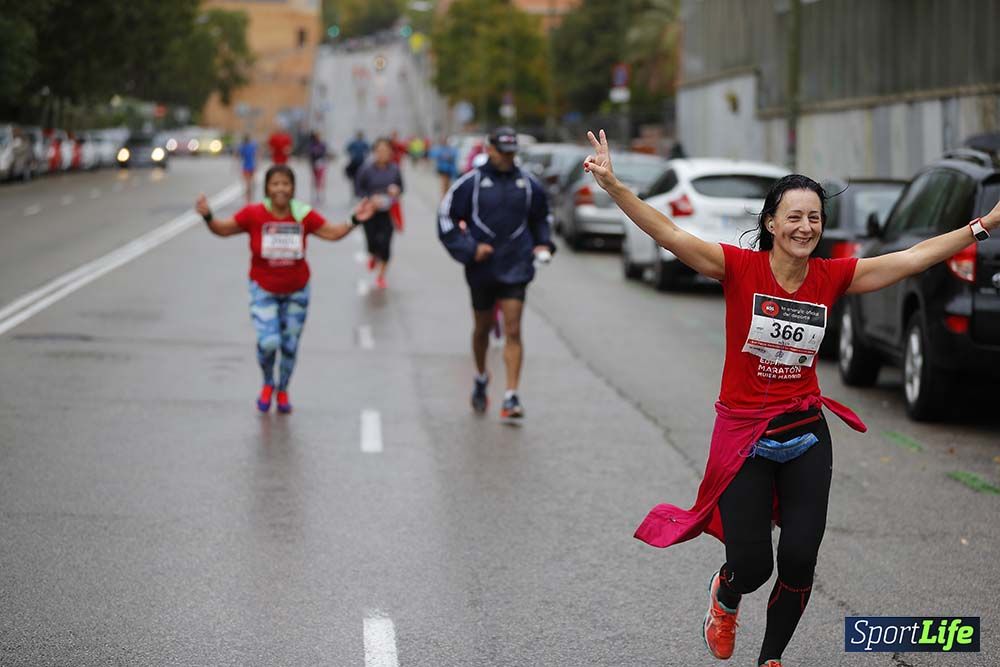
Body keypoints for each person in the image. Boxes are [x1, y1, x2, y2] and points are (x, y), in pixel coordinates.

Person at [581, 128, 1000, 667]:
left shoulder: (831, 277)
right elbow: (668, 233)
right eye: (795, 217)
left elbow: (913, 257)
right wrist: (614, 186)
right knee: (752, 566)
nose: (806, 227)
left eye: (815, 218)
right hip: (744, 437)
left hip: (804, 432)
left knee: (800, 559)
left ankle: (770, 658)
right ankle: (726, 594)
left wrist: (982, 226)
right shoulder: (738, 268)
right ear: (772, 224)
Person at [194, 165, 375, 414]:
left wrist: (354, 220)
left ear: (293, 189)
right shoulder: (254, 214)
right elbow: (223, 229)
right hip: (263, 289)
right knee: (269, 342)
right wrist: (208, 216)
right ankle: (268, 383)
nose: (280, 189)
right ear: (267, 188)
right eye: (275, 184)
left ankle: (283, 389)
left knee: (289, 346)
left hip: (297, 290)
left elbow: (332, 233)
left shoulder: (302, 214)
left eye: (286, 184)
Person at [437, 127, 555, 421]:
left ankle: (511, 396)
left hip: (516, 265)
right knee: (483, 329)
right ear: (489, 149)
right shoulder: (471, 183)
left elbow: (542, 218)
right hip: (482, 268)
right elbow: (446, 218)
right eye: (502, 152)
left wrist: (543, 243)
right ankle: (480, 377)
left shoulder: (528, 184)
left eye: (511, 152)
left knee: (513, 329)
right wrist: (470, 249)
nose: (507, 157)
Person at [354, 138, 403, 290]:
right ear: (374, 152)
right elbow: (358, 189)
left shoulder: (394, 169)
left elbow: (402, 188)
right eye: (379, 150)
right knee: (372, 243)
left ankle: (381, 276)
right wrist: (370, 198)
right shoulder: (366, 169)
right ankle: (373, 255)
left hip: (387, 212)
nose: (383, 153)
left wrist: (396, 191)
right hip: (370, 212)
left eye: (386, 150)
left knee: (386, 244)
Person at [307, 131, 328, 204]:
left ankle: (319, 195)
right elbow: (310, 153)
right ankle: (316, 195)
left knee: (320, 179)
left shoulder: (322, 144)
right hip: (314, 164)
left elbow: (324, 153)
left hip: (320, 163)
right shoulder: (312, 145)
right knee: (315, 180)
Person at [237, 134, 258, 204]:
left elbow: (239, 156)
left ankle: (247, 199)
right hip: (251, 167)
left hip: (246, 167)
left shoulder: (243, 147)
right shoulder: (252, 146)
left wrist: (236, 166)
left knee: (248, 184)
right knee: (252, 184)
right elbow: (256, 155)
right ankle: (250, 198)